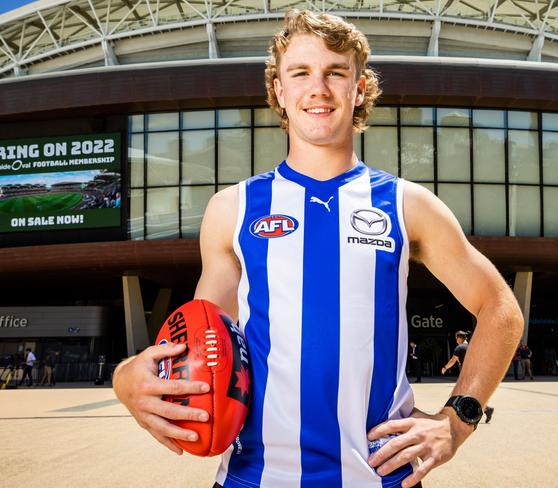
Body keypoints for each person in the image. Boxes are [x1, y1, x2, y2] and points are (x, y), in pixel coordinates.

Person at [112, 10, 523, 488]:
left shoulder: (408, 205)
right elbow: (204, 339)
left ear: (360, 88)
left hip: (382, 477)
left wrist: (458, 419)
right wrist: (126, 378)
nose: (319, 88)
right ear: (279, 91)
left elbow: (501, 308)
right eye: (300, 72)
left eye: (336, 72)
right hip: (253, 477)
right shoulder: (232, 209)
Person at [441, 331, 495, 424]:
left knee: (462, 395)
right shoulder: (473, 346)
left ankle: (462, 414)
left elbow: (453, 360)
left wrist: (445, 368)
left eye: (456, 338)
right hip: (476, 374)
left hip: (468, 375)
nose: (456, 341)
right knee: (470, 395)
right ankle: (486, 409)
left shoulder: (460, 347)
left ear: (459, 337)